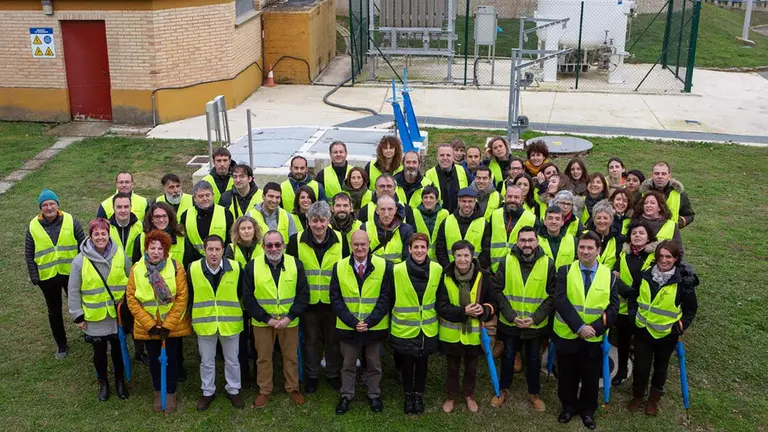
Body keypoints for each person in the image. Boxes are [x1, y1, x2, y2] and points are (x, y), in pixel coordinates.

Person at [553, 232, 621, 430]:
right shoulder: (565, 271)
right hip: (567, 334)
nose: (585, 251)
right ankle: (568, 407)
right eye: (582, 247)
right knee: (567, 375)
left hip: (593, 337)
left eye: (590, 247)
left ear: (598, 250)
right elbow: (560, 300)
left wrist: (595, 329)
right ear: (577, 250)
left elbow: (613, 309)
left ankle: (588, 411)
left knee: (590, 377)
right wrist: (580, 327)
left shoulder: (609, 276)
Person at [627, 240, 698, 416]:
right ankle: (638, 395)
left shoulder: (683, 282)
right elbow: (633, 297)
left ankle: (653, 400)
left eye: (668, 257)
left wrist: (680, 327)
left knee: (660, 368)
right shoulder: (644, 275)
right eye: (661, 256)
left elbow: (690, 309)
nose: (664, 260)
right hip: (643, 331)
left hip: (667, 334)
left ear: (676, 259)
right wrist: (633, 316)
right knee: (641, 367)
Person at [126, 230, 191, 414]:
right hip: (149, 326)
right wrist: (150, 324)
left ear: (166, 251)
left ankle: (170, 391)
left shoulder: (176, 267)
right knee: (154, 360)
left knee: (171, 358)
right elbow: (132, 298)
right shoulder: (137, 269)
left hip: (171, 325)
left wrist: (168, 325)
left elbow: (182, 297)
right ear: (146, 249)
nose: (155, 252)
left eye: (160, 248)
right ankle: (158, 390)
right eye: (152, 248)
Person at [491, 226, 555, 411]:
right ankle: (503, 389)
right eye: (523, 240)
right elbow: (497, 290)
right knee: (508, 356)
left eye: (530, 240)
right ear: (517, 242)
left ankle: (534, 393)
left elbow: (552, 296)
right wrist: (512, 317)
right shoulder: (506, 261)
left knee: (533, 358)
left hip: (535, 324)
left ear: (537, 242)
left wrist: (535, 318)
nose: (527, 244)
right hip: (510, 322)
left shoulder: (548, 264)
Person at [243, 230, 310, 408]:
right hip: (262, 322)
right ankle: (264, 390)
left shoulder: (296, 264)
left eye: (277, 244)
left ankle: (293, 388)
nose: (274, 248)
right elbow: (248, 298)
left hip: (289, 321)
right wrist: (267, 319)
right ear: (263, 246)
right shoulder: (252, 266)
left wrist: (289, 317)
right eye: (269, 245)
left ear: (284, 245)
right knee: (263, 357)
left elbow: (303, 295)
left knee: (291, 356)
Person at [68, 218, 131, 401]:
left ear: (109, 235)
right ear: (90, 236)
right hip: (95, 316)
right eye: (96, 234)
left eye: (104, 233)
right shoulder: (79, 261)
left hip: (117, 314)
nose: (100, 237)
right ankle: (103, 383)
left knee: (118, 350)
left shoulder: (120, 254)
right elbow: (73, 290)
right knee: (99, 352)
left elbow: (131, 280)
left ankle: (120, 382)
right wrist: (78, 315)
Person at [330, 230, 393, 415]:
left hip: (374, 326)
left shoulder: (383, 266)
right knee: (348, 364)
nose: (359, 248)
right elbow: (335, 298)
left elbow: (386, 298)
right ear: (351, 245)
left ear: (369, 244)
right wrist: (352, 322)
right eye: (356, 244)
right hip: (348, 326)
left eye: (363, 244)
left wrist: (369, 322)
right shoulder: (339, 266)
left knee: (374, 364)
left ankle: (374, 395)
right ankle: (346, 395)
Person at [286, 201, 345, 393]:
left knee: (333, 341)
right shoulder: (295, 241)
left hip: (332, 302)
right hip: (308, 303)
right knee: (310, 341)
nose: (318, 225)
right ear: (308, 220)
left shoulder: (341, 239)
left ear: (329, 220)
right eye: (314, 220)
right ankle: (312, 376)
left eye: (322, 220)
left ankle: (333, 374)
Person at [437, 240, 497, 413]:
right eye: (458, 255)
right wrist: (463, 311)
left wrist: (484, 309)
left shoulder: (484, 276)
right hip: (451, 334)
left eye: (466, 255)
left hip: (474, 335)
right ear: (453, 257)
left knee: (471, 368)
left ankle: (469, 395)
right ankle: (451, 396)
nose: (462, 259)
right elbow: (441, 306)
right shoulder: (445, 276)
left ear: (472, 257)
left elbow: (493, 302)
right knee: (452, 367)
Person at [26, 189, 86, 359]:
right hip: (47, 277)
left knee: (81, 304)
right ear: (41, 208)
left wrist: (84, 270)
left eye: (52, 203)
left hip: (71, 274)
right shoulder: (33, 226)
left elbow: (83, 245)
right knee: (54, 311)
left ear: (58, 205)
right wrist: (35, 277)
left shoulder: (71, 220)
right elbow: (29, 253)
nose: (49, 207)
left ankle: (89, 333)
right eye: (45, 205)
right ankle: (61, 344)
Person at [188, 235, 245, 411]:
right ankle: (207, 392)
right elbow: (190, 293)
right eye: (210, 249)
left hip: (230, 322)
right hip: (205, 322)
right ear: (204, 250)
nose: (214, 253)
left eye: (217, 249)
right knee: (206, 361)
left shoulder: (236, 268)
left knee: (232, 360)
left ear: (223, 250)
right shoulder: (193, 269)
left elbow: (240, 292)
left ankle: (233, 390)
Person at [390, 234, 441, 414]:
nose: (419, 250)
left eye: (423, 247)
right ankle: (408, 395)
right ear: (409, 249)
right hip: (404, 327)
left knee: (422, 363)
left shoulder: (437, 269)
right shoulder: (397, 270)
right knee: (406, 363)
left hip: (427, 328)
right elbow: (390, 297)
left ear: (428, 249)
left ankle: (418, 395)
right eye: (416, 247)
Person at [612, 220, 657, 387]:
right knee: (622, 342)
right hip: (624, 308)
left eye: (641, 233)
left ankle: (640, 380)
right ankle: (622, 370)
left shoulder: (654, 257)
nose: (637, 236)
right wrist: (629, 291)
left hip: (644, 309)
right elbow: (613, 276)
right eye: (634, 233)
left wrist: (634, 291)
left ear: (649, 237)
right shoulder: (624, 255)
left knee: (641, 347)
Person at [225, 215, 262, 386]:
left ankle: (258, 374)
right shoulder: (230, 249)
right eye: (243, 228)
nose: (246, 231)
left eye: (249, 228)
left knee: (257, 341)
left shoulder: (262, 247)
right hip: (237, 303)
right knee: (239, 341)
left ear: (255, 230)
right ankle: (243, 374)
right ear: (237, 231)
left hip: (258, 302)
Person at [434, 187, 491, 270]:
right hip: (450, 271)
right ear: (458, 201)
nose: (467, 205)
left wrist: (475, 269)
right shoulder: (447, 221)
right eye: (464, 201)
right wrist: (448, 268)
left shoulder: (484, 223)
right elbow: (440, 249)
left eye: (470, 201)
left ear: (475, 202)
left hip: (475, 271)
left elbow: (486, 251)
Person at [180, 181, 234, 262]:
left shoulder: (226, 213)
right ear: (194, 198)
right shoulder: (186, 215)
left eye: (207, 195)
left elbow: (230, 241)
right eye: (200, 196)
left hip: (221, 261)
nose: (205, 199)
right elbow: (185, 244)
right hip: (195, 262)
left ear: (213, 195)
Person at [488, 185, 538, 272]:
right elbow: (487, 242)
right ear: (505, 197)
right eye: (510, 196)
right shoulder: (495, 215)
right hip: (495, 270)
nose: (512, 200)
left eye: (516, 197)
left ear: (522, 199)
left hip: (520, 270)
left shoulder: (532, 219)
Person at [640, 161, 695, 229]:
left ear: (669, 176)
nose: (660, 176)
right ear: (652, 175)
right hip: (647, 233)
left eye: (663, 174)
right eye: (656, 173)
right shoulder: (643, 192)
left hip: (671, 234)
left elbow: (689, 215)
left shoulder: (679, 194)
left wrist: (680, 222)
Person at [362, 195, 414, 264]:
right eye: (382, 209)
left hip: (397, 269)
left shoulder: (406, 230)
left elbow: (407, 260)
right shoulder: (365, 228)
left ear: (395, 210)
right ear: (377, 210)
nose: (386, 214)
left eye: (390, 209)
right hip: (374, 269)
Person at [425, 144, 471, 214]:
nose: (445, 158)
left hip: (460, 217)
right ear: (437, 157)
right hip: (438, 217)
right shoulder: (429, 175)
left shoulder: (463, 171)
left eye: (448, 155)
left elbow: (472, 195)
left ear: (453, 157)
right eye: (442, 155)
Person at [412, 186, 449, 260]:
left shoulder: (445, 214)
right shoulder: (414, 213)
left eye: (431, 197)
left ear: (437, 200)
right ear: (422, 199)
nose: (428, 200)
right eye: (425, 197)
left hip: (439, 257)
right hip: (420, 256)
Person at [586, 200, 623, 270]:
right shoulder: (585, 236)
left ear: (611, 220)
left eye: (605, 218)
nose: (602, 221)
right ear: (594, 220)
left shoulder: (619, 239)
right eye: (598, 218)